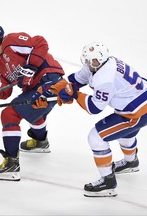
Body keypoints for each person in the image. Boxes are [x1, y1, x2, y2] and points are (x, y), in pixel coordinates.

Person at [31, 42, 147, 197]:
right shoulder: (99, 63)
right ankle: (130, 161)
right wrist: (53, 90)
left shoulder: (105, 78)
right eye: (88, 60)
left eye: (93, 61)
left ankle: (108, 183)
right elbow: (77, 80)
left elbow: (94, 108)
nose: (90, 63)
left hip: (137, 112)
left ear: (100, 60)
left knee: (96, 137)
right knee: (125, 133)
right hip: (138, 101)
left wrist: (75, 95)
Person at [0, 24, 67, 181]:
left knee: (9, 114)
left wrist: (30, 67)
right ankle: (40, 141)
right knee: (32, 110)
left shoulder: (11, 42)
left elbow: (40, 43)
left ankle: (11, 164)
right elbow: (4, 90)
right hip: (35, 89)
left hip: (50, 81)